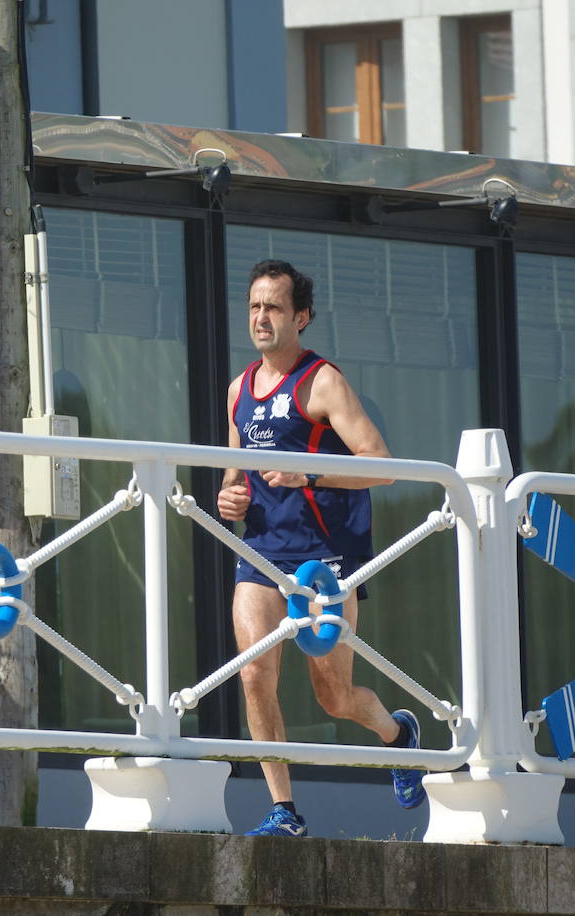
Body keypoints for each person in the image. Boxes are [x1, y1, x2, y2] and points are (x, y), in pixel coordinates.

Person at [217, 259, 424, 838]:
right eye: (255, 306)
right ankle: (283, 809)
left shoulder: (322, 382)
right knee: (255, 675)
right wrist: (229, 499)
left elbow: (382, 468)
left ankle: (398, 734)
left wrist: (310, 476)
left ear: (300, 317)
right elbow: (236, 475)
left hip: (324, 560)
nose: (261, 317)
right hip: (260, 555)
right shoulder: (238, 389)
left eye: (274, 307)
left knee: (332, 694)